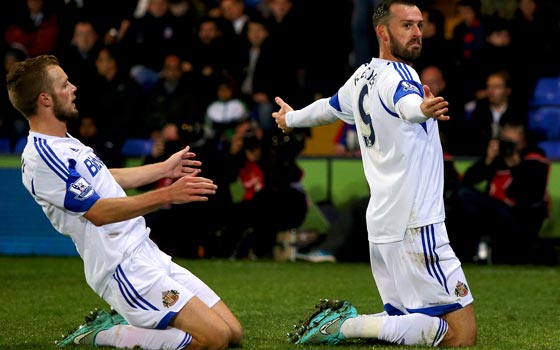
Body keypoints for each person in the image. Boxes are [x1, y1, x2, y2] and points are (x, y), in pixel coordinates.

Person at [272, 0, 476, 347]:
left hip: (382, 226)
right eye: (406, 25)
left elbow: (329, 108)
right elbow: (405, 103)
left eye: (419, 25)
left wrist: (291, 119)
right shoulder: (402, 78)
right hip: (416, 224)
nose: (416, 33)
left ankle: (347, 326)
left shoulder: (363, 75)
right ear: (382, 32)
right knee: (460, 335)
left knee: (406, 320)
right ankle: (346, 326)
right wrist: (421, 108)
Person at [6, 55, 242, 349]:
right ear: (45, 99)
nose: (74, 88)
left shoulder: (65, 141)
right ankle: (106, 335)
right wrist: (168, 194)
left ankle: (122, 326)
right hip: (121, 268)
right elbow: (98, 212)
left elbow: (105, 177)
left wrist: (164, 169)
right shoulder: (42, 156)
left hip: (145, 251)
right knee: (214, 340)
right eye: (65, 84)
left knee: (233, 333)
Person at [451, 120, 550, 264]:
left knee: (468, 197)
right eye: (505, 142)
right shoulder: (497, 159)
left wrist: (516, 166)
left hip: (520, 214)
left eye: (512, 143)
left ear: (522, 140)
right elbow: (468, 179)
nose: (508, 147)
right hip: (493, 211)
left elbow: (529, 195)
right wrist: (488, 160)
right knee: (458, 193)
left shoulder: (534, 159)